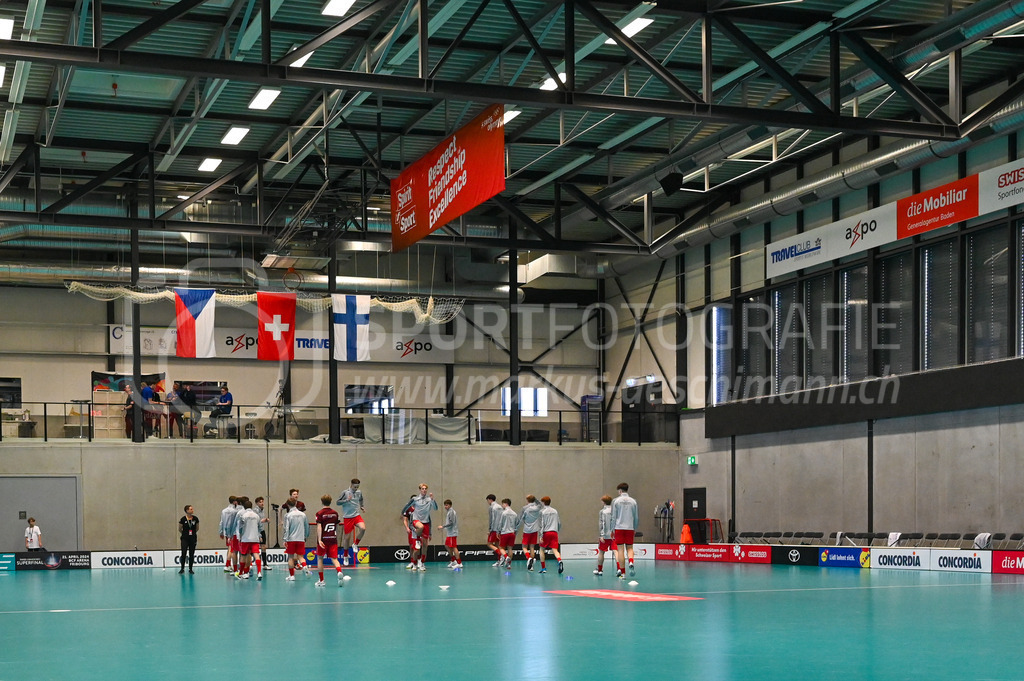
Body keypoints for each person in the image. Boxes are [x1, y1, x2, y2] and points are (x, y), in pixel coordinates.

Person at [401, 484, 437, 571]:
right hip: (416, 522)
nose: (424, 490)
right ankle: (413, 562)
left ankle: (422, 563)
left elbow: (436, 508)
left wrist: (433, 500)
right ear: (420, 490)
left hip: (426, 523)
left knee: (425, 546)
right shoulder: (415, 499)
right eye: (422, 489)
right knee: (416, 546)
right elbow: (406, 508)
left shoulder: (429, 500)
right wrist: (403, 512)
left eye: (425, 489)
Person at [314, 494, 344, 587]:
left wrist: (319, 539)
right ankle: (339, 571)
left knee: (320, 558)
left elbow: (319, 527)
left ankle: (322, 580)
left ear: (321, 501)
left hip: (324, 539)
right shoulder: (335, 513)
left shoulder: (319, 513)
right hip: (333, 538)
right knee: (334, 559)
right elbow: (337, 525)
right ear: (330, 502)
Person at [611, 482, 639, 578]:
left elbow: (613, 517)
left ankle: (623, 573)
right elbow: (636, 517)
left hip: (619, 528)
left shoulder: (616, 501)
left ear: (620, 491)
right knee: (630, 548)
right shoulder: (633, 501)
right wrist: (634, 528)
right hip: (630, 528)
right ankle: (631, 561)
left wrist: (612, 529)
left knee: (620, 550)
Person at [336, 478, 366, 566]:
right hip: (348, 517)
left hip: (356, 515)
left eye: (357, 487)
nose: (355, 488)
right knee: (347, 538)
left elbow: (361, 499)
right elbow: (338, 502)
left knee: (363, 528)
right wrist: (346, 500)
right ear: (351, 485)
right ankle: (345, 556)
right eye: (354, 487)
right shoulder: (345, 492)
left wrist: (362, 506)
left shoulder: (359, 492)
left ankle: (355, 544)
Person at [282, 499, 311, 581]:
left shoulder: (288, 515)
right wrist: (306, 536)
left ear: (287, 505)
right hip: (301, 538)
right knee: (301, 557)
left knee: (290, 557)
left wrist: (285, 539)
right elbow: (307, 527)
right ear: (295, 503)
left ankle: (292, 576)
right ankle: (305, 567)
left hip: (291, 539)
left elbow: (286, 528)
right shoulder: (303, 515)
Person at [236, 499, 263, 580]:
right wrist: (259, 535)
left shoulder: (243, 516)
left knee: (244, 555)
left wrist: (239, 536)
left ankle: (242, 573)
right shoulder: (256, 516)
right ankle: (259, 572)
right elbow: (260, 527)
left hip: (245, 538)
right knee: (256, 554)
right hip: (255, 538)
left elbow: (240, 528)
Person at [537, 496, 563, 575]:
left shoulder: (542, 512)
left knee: (541, 549)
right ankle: (560, 561)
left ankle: (543, 568)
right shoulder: (555, 511)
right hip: (554, 532)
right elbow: (559, 523)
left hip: (546, 533)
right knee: (555, 550)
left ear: (543, 503)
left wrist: (540, 536)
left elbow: (541, 525)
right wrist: (556, 530)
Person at [595, 495, 618, 576]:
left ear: (604, 502)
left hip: (605, 535)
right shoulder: (615, 511)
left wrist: (601, 535)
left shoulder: (602, 512)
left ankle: (600, 570)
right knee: (616, 551)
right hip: (614, 535)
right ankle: (619, 569)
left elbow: (601, 524)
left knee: (601, 552)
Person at [520, 494, 543, 571]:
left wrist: (516, 528)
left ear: (527, 500)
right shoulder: (538, 508)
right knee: (532, 547)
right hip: (535, 530)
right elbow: (540, 503)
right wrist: (534, 498)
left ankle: (528, 557)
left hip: (527, 530)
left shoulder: (525, 509)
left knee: (524, 547)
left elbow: (521, 519)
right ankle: (531, 565)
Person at [218, 495, 239, 573]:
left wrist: (221, 532)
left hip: (226, 531)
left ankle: (228, 564)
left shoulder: (224, 510)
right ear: (234, 502)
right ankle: (227, 565)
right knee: (232, 549)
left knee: (230, 548)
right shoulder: (235, 511)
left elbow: (222, 522)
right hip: (233, 532)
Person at [440, 499, 462, 570]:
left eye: (447, 505)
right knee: (447, 546)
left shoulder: (451, 512)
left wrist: (443, 526)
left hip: (453, 533)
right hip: (449, 533)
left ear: (450, 505)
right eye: (445, 505)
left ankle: (459, 563)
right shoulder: (449, 512)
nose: (445, 506)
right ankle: (453, 560)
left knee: (454, 547)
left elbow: (451, 523)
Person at [497, 498, 519, 569]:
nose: (502, 505)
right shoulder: (515, 514)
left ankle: (506, 557)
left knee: (501, 547)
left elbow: (500, 523)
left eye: (502, 504)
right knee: (510, 549)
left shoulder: (503, 513)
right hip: (512, 533)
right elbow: (516, 524)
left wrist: (498, 531)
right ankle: (509, 565)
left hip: (505, 532)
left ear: (506, 504)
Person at [178, 505, 198, 574]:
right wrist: (185, 533)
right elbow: (180, 529)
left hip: (193, 538)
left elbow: (197, 528)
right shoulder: (183, 519)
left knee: (191, 554)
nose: (192, 510)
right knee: (183, 553)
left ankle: (190, 569)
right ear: (187, 510)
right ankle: (182, 568)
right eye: (191, 509)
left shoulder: (195, 518)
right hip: (185, 539)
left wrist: (192, 533)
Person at [485, 494, 502, 567]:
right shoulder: (500, 507)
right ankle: (499, 561)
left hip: (494, 529)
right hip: (500, 529)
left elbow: (492, 519)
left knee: (489, 544)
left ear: (490, 499)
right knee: (498, 544)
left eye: (487, 500)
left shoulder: (492, 507)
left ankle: (502, 555)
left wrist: (490, 529)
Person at [255, 497, 271, 570]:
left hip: (262, 530)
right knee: (254, 547)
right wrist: (263, 520)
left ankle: (265, 564)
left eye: (262, 501)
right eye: (260, 502)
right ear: (257, 503)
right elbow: (256, 521)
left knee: (264, 547)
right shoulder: (255, 511)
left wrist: (266, 520)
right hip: (256, 530)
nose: (262, 503)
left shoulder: (263, 510)